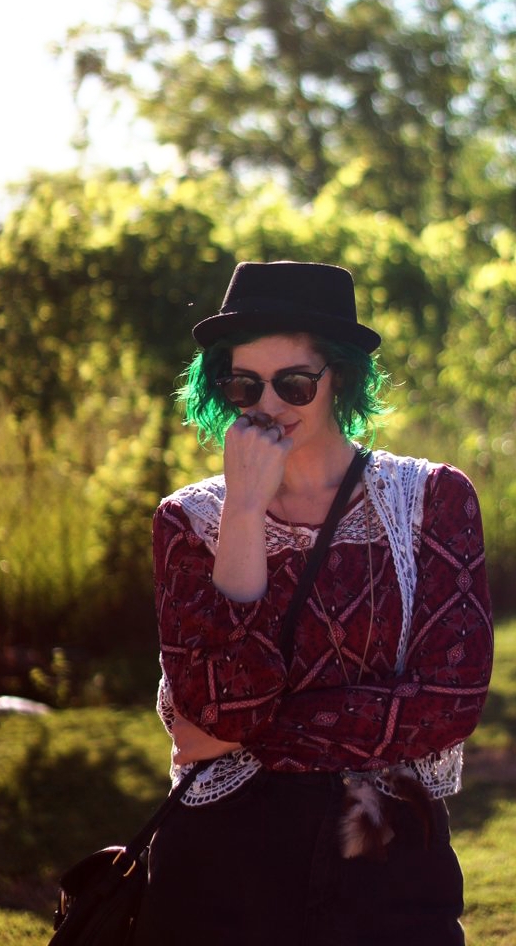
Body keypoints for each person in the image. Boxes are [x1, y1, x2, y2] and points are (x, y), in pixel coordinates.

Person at [133, 260, 493, 946]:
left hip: (384, 857)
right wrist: (243, 511)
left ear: (341, 380)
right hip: (223, 869)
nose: (267, 406)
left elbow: (450, 700)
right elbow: (216, 713)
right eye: (244, 385)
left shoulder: (433, 503)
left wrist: (265, 732)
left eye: (294, 383)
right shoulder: (191, 521)